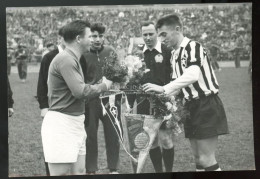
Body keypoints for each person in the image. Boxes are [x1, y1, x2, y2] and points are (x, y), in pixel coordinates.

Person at [143, 14, 229, 172]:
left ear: (177, 29)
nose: (161, 40)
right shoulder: (175, 54)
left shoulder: (193, 46)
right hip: (190, 106)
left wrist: (163, 88)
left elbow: (192, 74)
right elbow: (178, 86)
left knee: (206, 158)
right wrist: (163, 98)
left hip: (206, 104)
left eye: (164, 34)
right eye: (159, 35)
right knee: (197, 158)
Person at [41, 20, 113, 176]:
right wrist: (104, 85)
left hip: (75, 122)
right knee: (61, 174)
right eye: (89, 36)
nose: (93, 40)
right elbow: (80, 92)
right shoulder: (66, 59)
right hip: (62, 123)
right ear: (79, 39)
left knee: (79, 171)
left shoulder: (73, 58)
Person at [79, 22, 120, 174]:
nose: (97, 39)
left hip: (110, 99)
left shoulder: (111, 51)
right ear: (89, 37)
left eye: (100, 36)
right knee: (90, 136)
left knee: (113, 135)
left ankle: (114, 168)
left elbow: (120, 73)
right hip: (90, 101)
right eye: (93, 36)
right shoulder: (83, 55)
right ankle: (91, 169)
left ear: (104, 37)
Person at [135, 21, 175, 173]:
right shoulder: (138, 53)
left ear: (157, 33)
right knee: (151, 141)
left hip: (164, 100)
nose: (148, 37)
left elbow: (174, 76)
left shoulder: (167, 50)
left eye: (150, 34)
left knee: (166, 139)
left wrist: (170, 96)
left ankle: (169, 171)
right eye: (144, 34)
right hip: (144, 102)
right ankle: (159, 171)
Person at [36, 27, 66, 176]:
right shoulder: (49, 57)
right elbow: (41, 84)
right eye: (67, 37)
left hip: (72, 111)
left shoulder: (79, 57)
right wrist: (43, 106)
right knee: (52, 146)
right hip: (53, 109)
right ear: (60, 38)